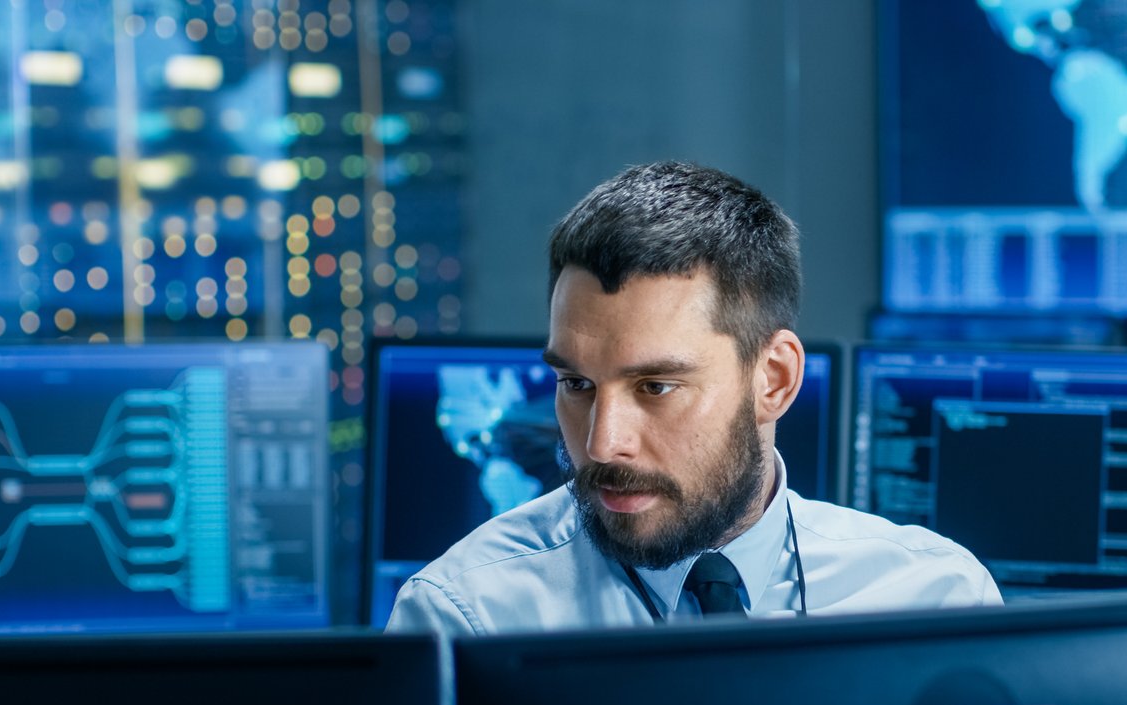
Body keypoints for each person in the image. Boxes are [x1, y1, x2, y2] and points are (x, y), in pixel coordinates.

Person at [388, 161, 1000, 634]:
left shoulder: (936, 600)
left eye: (656, 387)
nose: (602, 443)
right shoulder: (466, 618)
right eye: (577, 384)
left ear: (774, 380)